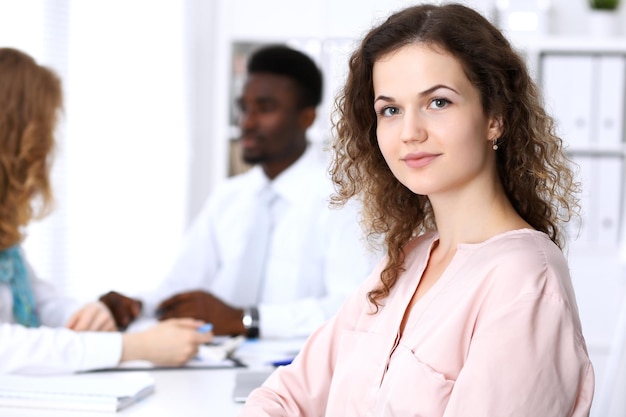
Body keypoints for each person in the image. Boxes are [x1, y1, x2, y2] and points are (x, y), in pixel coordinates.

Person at [239, 4, 594, 416]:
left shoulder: (524, 280)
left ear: (494, 117)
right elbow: (283, 397)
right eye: (390, 110)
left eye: (438, 102)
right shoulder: (405, 262)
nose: (410, 133)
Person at [99, 45, 377, 339]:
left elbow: (354, 307)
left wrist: (246, 320)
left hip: (304, 376)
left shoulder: (345, 199)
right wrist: (138, 306)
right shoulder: (229, 196)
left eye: (265, 108)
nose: (247, 122)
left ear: (306, 117)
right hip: (215, 368)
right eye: (244, 108)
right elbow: (182, 286)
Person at [0, 47, 213, 375]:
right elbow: (7, 348)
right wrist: (133, 348)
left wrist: (88, 313)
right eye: (42, 131)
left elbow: (41, 303)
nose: (47, 150)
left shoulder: (7, 242)